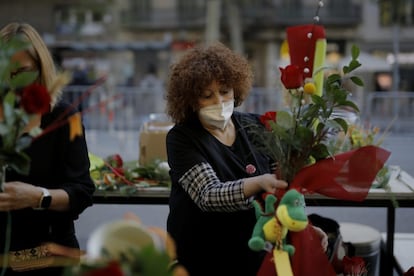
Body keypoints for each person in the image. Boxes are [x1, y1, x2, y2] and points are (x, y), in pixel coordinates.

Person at [165, 42, 327, 276]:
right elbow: (208, 195)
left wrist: (304, 228)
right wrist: (258, 183)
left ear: (236, 90)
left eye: (224, 91)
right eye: (206, 96)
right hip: (201, 256)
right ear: (190, 100)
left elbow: (281, 192)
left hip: (253, 252)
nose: (219, 103)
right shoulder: (182, 138)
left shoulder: (257, 127)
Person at [0, 22, 95, 275]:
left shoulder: (67, 118)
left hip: (48, 255)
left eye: (24, 72)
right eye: (7, 75)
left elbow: (82, 191)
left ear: (41, 69)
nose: (15, 84)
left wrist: (39, 197)